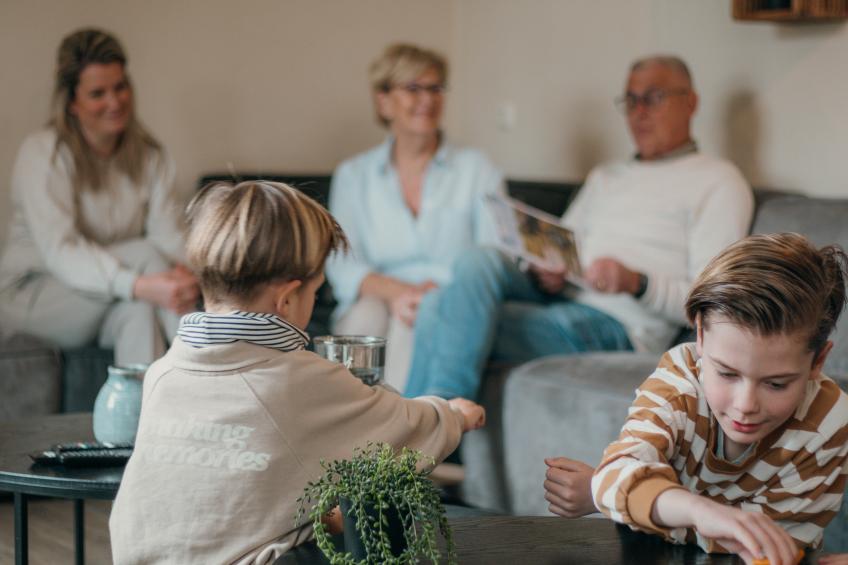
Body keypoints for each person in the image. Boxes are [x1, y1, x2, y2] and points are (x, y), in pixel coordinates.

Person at [109, 181, 486, 563]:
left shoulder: (163, 372)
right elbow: (405, 425)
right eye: (315, 292)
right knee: (371, 510)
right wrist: (453, 414)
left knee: (320, 514)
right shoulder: (297, 378)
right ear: (287, 299)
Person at [404, 55, 754, 401]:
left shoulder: (719, 181)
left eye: (654, 98)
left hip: (615, 324)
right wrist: (547, 271)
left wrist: (636, 282)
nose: (639, 112)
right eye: (630, 101)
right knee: (476, 260)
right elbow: (562, 248)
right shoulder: (606, 176)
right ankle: (429, 429)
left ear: (691, 102)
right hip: (562, 298)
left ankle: (428, 430)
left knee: (440, 309)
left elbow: (712, 304)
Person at [550, 233, 848, 565]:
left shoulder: (830, 421)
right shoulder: (680, 380)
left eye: (776, 384)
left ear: (818, 361)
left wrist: (623, 499)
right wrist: (694, 510)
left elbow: (769, 546)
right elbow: (617, 470)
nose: (746, 404)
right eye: (727, 374)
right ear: (701, 336)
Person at [0, 28, 198, 365]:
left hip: (105, 294)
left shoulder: (151, 155)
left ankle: (142, 416)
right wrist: (138, 284)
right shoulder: (43, 154)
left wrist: (191, 277)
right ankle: (203, 374)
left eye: (120, 87)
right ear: (72, 102)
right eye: (97, 93)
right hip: (34, 296)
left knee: (139, 314)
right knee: (145, 258)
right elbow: (62, 251)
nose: (114, 102)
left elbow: (169, 235)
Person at [325, 43, 504, 391]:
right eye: (413, 88)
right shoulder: (353, 175)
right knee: (364, 320)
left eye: (436, 88)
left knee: (416, 320)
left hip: (448, 300)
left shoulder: (477, 169)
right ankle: (347, 438)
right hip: (376, 295)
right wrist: (398, 293)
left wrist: (430, 300)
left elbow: (492, 256)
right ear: (384, 100)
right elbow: (343, 263)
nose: (428, 99)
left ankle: (401, 442)